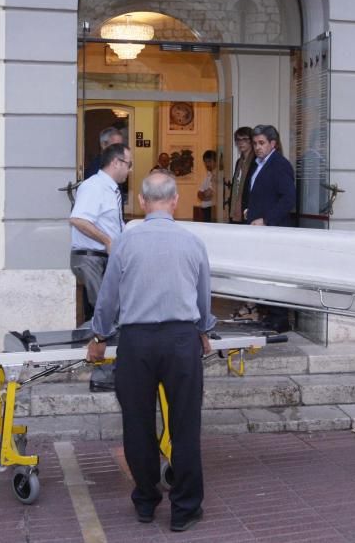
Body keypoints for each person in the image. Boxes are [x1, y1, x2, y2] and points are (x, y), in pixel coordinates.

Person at [86, 170, 215, 532]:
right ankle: (185, 507)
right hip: (180, 341)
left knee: (138, 424)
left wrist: (98, 336)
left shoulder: (125, 242)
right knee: (185, 426)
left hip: (136, 341)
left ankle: (146, 500)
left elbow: (108, 296)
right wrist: (204, 330)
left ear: (142, 202)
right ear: (175, 201)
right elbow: (204, 295)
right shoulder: (192, 242)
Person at [70, 143, 132, 323]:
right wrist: (107, 241)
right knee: (103, 312)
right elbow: (78, 219)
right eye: (129, 164)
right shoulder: (94, 186)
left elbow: (112, 224)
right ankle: (95, 347)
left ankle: (103, 346)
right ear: (116, 162)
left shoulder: (110, 189)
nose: (130, 170)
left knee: (109, 311)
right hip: (91, 258)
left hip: (102, 258)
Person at [244, 124, 296, 332]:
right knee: (263, 274)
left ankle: (279, 317)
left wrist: (266, 219)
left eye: (261, 143)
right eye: (255, 143)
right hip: (259, 230)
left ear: (273, 144)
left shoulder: (279, 164)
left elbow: (288, 198)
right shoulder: (258, 164)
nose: (257, 147)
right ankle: (270, 314)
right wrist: (250, 210)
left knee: (274, 274)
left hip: (273, 230)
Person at [225, 127, 254, 224]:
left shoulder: (256, 161)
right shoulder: (239, 162)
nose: (241, 143)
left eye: (245, 139)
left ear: (251, 141)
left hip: (249, 209)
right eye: (238, 140)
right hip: (236, 209)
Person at [196, 150, 216, 222]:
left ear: (215, 161)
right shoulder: (208, 175)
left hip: (211, 210)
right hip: (205, 210)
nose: (207, 164)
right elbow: (199, 194)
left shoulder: (216, 176)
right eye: (205, 162)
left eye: (209, 161)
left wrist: (204, 194)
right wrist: (204, 195)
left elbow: (210, 194)